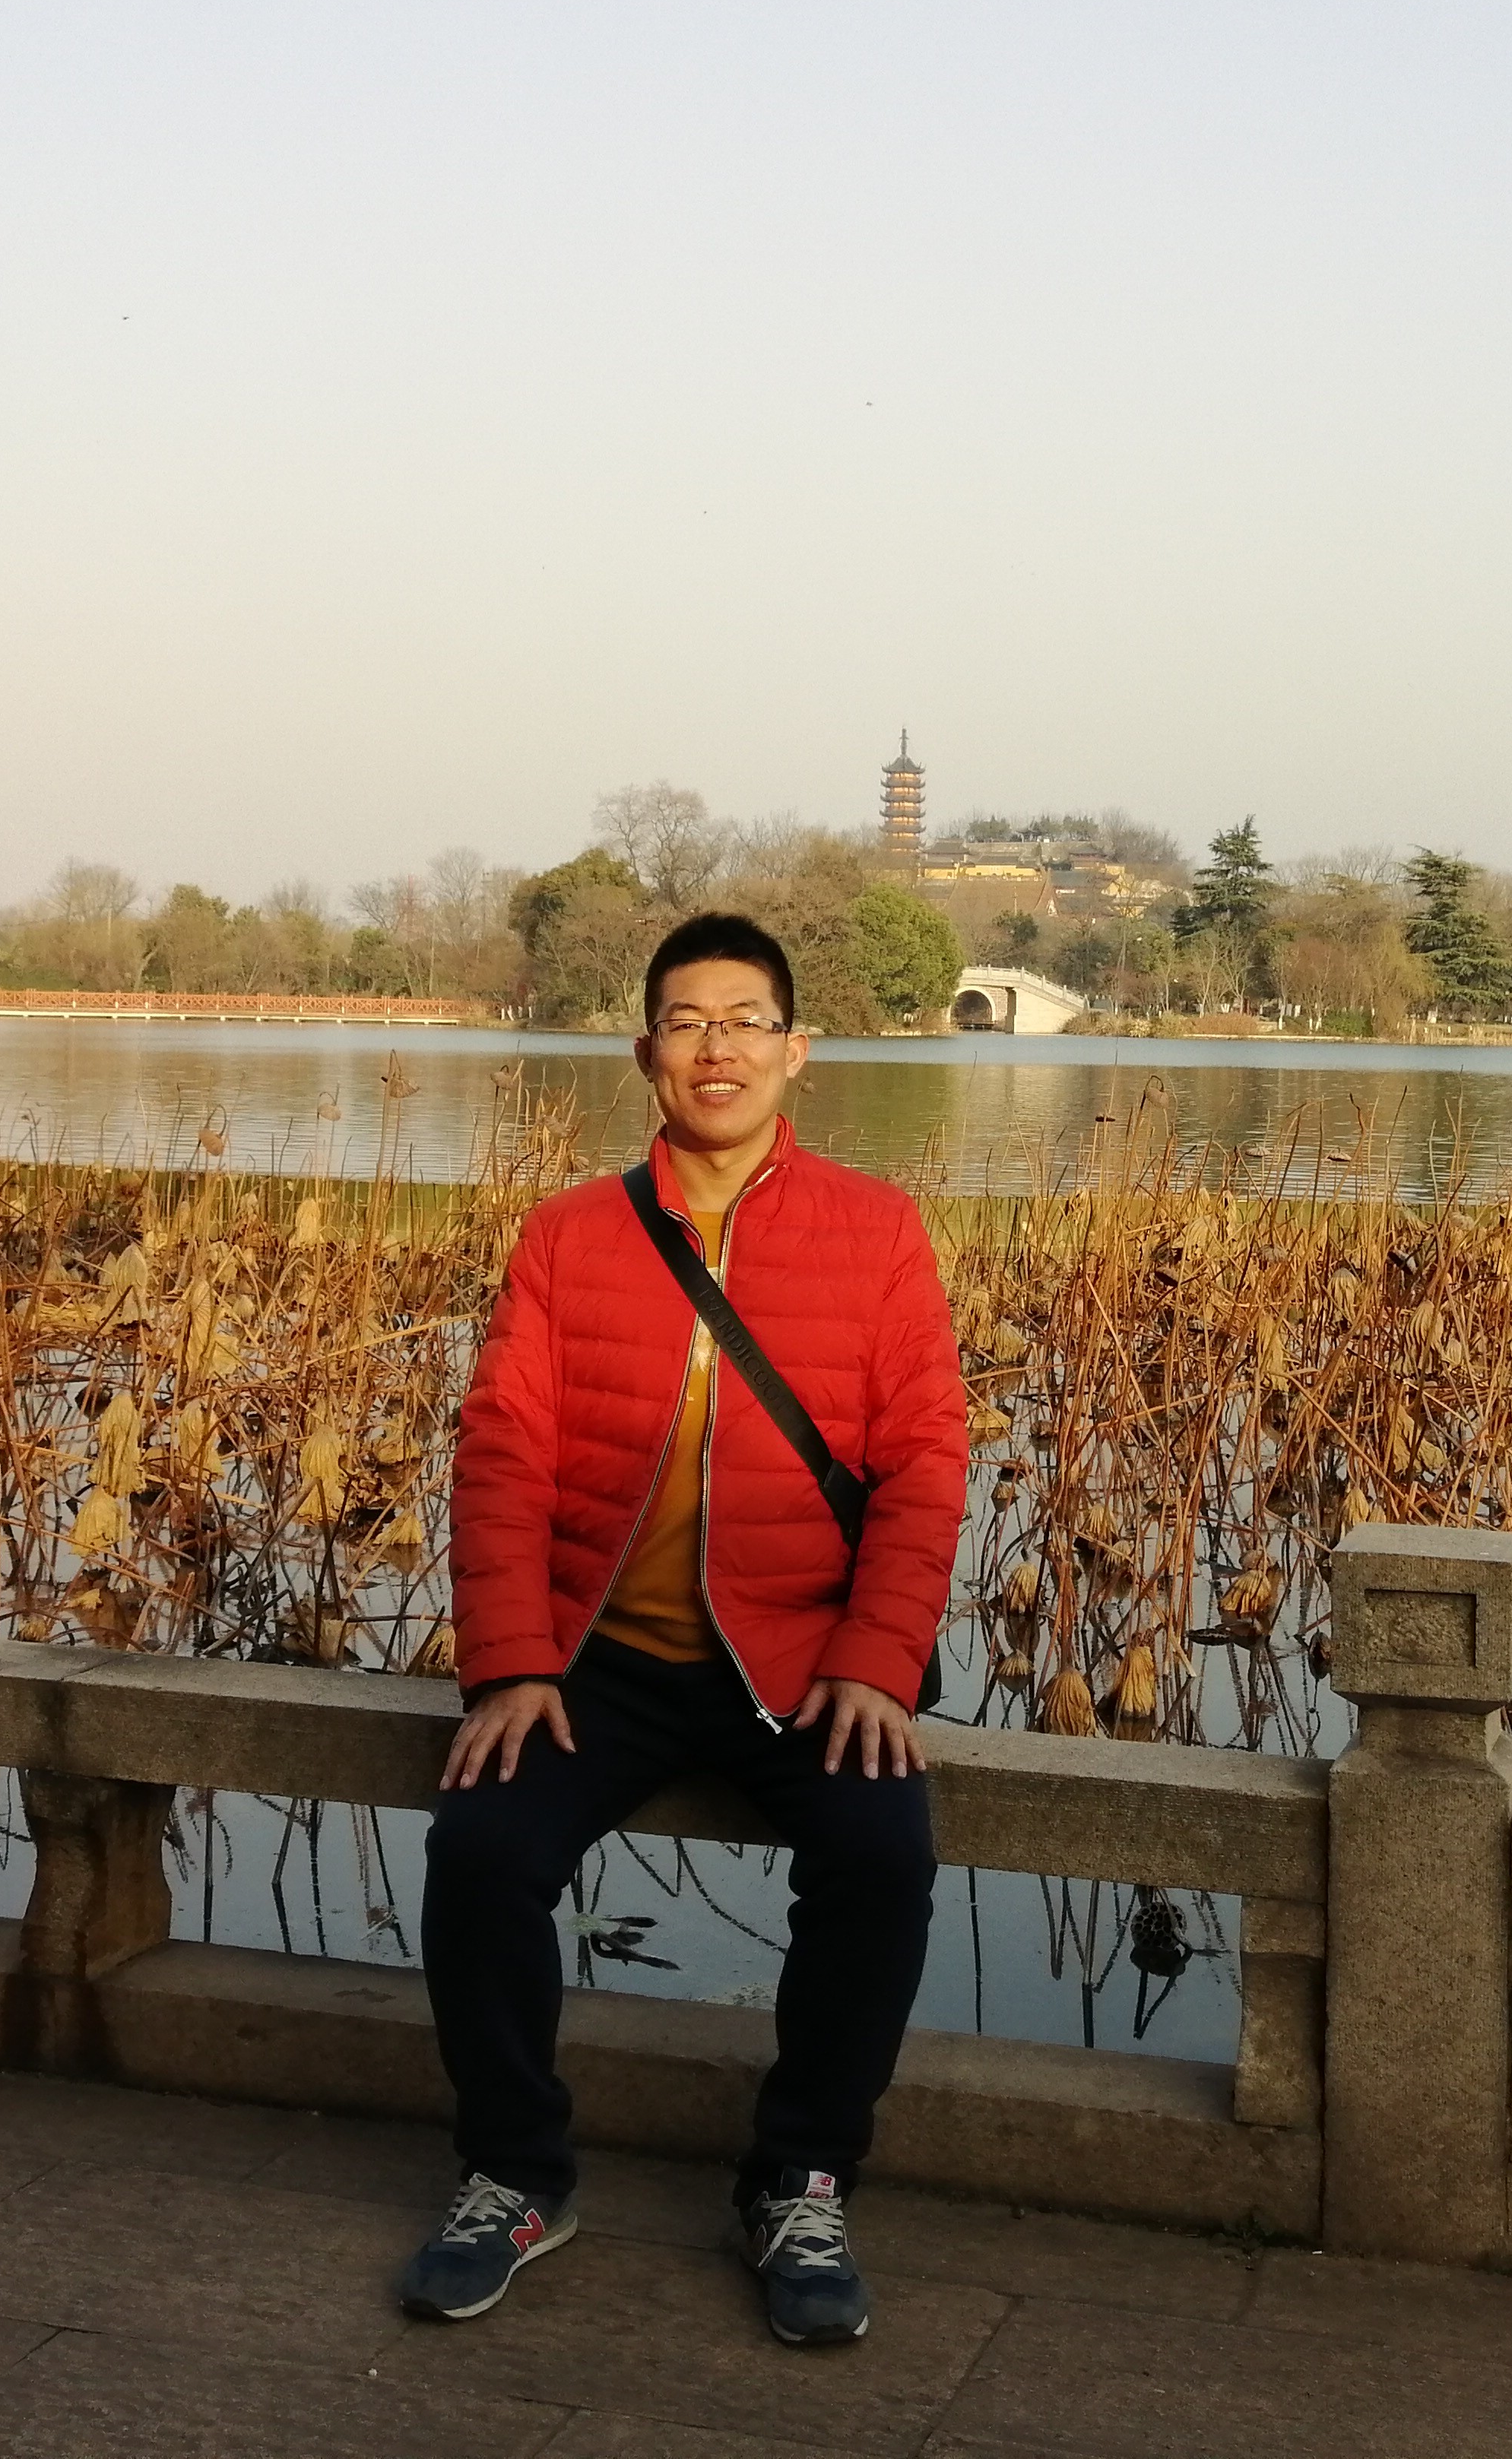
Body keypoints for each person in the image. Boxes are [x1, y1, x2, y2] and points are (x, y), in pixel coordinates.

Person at [395, 910, 968, 2346]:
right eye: (689, 1022)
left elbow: (925, 1460)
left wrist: (876, 1661)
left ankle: (801, 2181)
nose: (719, 1049)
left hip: (800, 1659)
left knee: (881, 1856)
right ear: (646, 1051)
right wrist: (511, 1663)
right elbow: (504, 1453)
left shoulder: (877, 1231)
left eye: (746, 1022)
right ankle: (515, 2175)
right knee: (483, 1850)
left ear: (797, 1052)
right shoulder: (569, 1234)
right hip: (607, 1659)